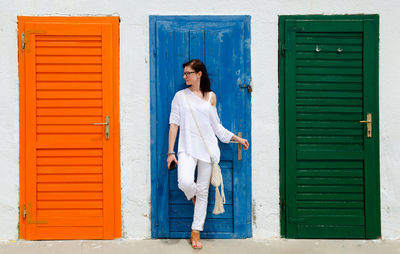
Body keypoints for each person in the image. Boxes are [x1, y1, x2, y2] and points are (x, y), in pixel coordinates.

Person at [167, 59, 250, 249]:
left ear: (199, 74)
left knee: (204, 192)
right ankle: (194, 196)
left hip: (207, 149)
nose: (185, 76)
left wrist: (237, 139)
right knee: (185, 182)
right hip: (186, 148)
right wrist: (170, 152)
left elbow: (216, 127)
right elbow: (174, 124)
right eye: (184, 73)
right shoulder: (180, 96)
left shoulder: (210, 96)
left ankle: (196, 231)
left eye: (188, 73)